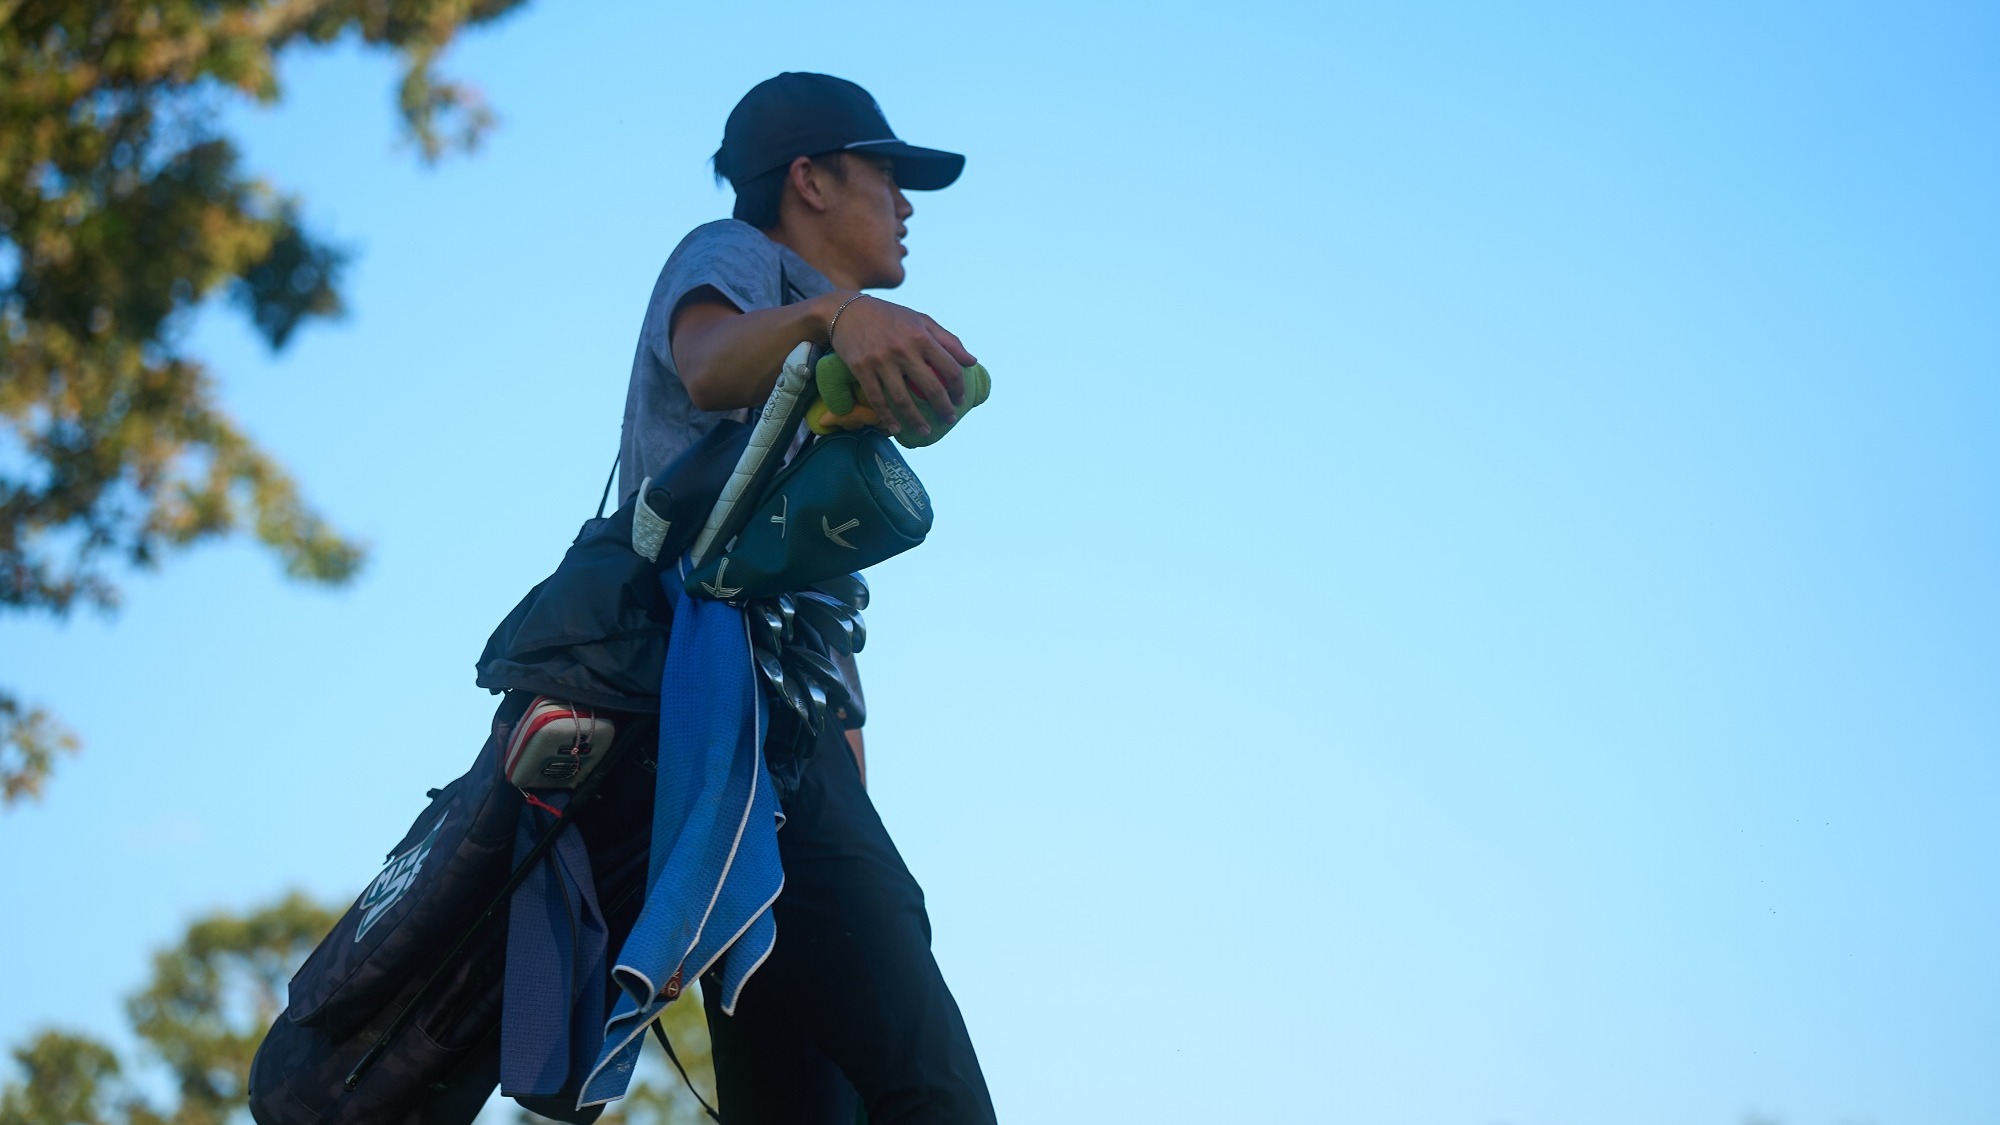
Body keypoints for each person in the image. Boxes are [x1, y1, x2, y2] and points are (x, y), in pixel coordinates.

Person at [615, 72, 998, 1125]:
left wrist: (855, 799)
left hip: (772, 746)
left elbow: (822, 630)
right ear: (809, 181)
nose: (905, 204)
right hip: (737, 737)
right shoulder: (736, 260)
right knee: (932, 1093)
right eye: (884, 173)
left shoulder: (818, 348)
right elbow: (700, 364)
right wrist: (840, 313)